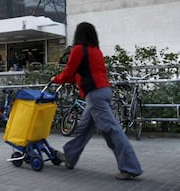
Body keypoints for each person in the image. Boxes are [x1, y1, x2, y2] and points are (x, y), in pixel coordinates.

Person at [51, 22, 142, 180]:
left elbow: (68, 72)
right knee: (84, 129)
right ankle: (70, 157)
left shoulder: (79, 49)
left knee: (111, 130)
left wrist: (55, 79)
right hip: (103, 91)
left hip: (95, 94)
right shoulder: (96, 51)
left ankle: (130, 167)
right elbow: (83, 73)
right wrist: (69, 79)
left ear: (78, 34)